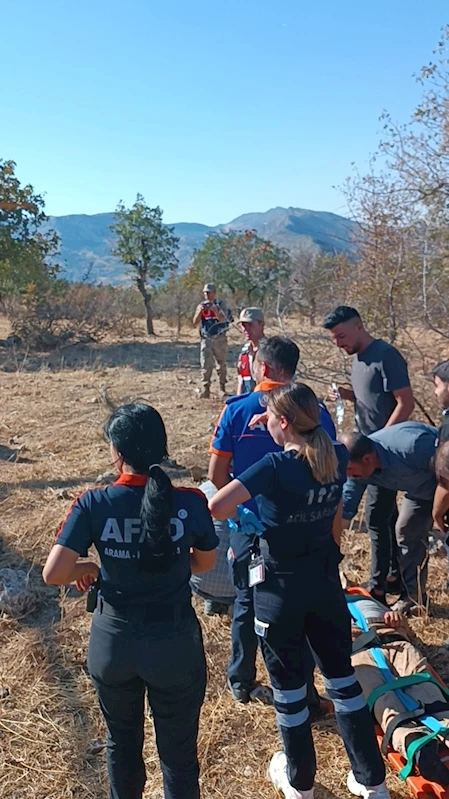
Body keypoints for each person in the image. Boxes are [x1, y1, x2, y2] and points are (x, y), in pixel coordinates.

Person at [209, 383, 390, 799]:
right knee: (343, 684)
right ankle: (371, 781)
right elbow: (331, 439)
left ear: (284, 422)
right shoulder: (336, 456)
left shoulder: (273, 468)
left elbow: (218, 505)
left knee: (290, 694)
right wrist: (277, 420)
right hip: (325, 587)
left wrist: (252, 517)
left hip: (279, 594)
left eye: (271, 418)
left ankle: (300, 782)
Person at [42, 403, 218, 799]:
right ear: (161, 448)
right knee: (178, 755)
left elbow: (53, 574)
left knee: (121, 745)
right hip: (174, 644)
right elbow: (204, 564)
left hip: (113, 643)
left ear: (117, 453)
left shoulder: (94, 503)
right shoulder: (189, 502)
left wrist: (90, 567)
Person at [209, 336, 336, 708]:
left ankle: (242, 680)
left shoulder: (236, 410)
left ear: (261, 368)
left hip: (250, 531)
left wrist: (243, 514)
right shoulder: (316, 411)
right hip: (304, 527)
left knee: (248, 599)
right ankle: (307, 688)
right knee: (304, 606)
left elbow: (217, 475)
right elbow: (327, 469)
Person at [324, 306, 415, 603]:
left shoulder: (386, 355)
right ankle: (391, 575)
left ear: (359, 326)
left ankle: (377, 588)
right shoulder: (358, 359)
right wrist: (346, 394)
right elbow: (371, 398)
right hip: (361, 452)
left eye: (341, 335)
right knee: (384, 518)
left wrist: (380, 442)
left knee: (375, 519)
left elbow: (405, 403)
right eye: (334, 338)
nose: (338, 343)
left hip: (378, 457)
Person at [348, 592, 449, 786]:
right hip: (357, 653)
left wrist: (399, 621)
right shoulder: (321, 608)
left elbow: (410, 632)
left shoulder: (369, 601)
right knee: (381, 696)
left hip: (394, 641)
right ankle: (415, 744)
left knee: (421, 681)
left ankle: (445, 725)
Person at [341, 422, 438, 615]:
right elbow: (346, 509)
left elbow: (446, 463)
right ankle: (415, 598)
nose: (349, 476)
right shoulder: (359, 467)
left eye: (351, 470)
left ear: (368, 459)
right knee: (406, 530)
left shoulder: (412, 446)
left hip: (444, 484)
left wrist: (442, 505)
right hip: (421, 492)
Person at [190, 480, 235, 616]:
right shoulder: (255, 490)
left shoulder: (204, 490)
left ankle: (212, 602)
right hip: (235, 588)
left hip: (200, 584)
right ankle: (233, 607)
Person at [193, 283, 230, 399]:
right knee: (206, 365)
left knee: (221, 364)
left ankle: (222, 388)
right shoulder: (201, 306)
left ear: (214, 293)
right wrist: (200, 311)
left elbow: (224, 319)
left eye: (209, 292)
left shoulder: (220, 304)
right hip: (206, 338)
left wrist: (215, 310)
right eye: (205, 292)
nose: (206, 295)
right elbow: (194, 322)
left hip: (219, 338)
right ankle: (206, 389)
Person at [236, 307, 265, 394]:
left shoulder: (272, 350)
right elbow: (241, 382)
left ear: (261, 325)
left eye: (250, 325)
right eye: (243, 325)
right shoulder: (244, 352)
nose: (246, 329)